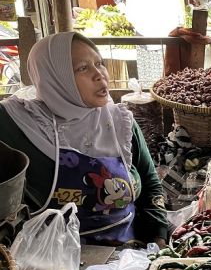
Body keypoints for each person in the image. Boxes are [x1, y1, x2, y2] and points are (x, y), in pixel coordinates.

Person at [0, 32, 170, 248]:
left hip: (128, 255)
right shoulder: (20, 123)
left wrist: (159, 237)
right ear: (54, 77)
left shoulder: (119, 122)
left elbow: (149, 182)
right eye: (82, 68)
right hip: (52, 262)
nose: (99, 75)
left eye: (99, 63)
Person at [125, 0, 182, 82]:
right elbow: (178, 13)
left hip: (145, 42)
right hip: (167, 41)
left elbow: (129, 16)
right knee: (168, 79)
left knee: (149, 82)